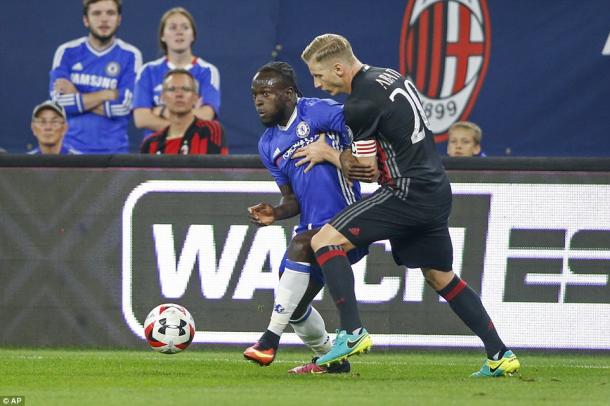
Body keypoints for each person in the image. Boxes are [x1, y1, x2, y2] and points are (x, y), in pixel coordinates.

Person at [301, 34, 520, 377]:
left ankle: (352, 332)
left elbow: (367, 170)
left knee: (324, 241)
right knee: (440, 277)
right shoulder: (390, 76)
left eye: (318, 75)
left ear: (339, 68)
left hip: (406, 191)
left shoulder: (359, 104)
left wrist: (326, 152)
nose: (317, 83)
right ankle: (500, 354)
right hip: (435, 188)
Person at [243, 61, 368, 374]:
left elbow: (365, 139)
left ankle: (269, 339)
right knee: (296, 307)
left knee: (300, 244)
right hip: (310, 228)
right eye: (254, 94)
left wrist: (333, 153)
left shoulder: (320, 112)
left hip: (347, 220)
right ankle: (332, 360)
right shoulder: (267, 144)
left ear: (288, 94)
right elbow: (291, 200)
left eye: (266, 93)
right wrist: (276, 211)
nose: (258, 100)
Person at [49, 0, 142, 153]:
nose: (104, 19)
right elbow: (59, 103)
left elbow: (123, 107)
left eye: (110, 13)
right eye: (97, 13)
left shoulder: (130, 55)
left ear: (119, 19)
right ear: (86, 20)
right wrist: (106, 94)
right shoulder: (67, 52)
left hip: (115, 153)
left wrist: (76, 95)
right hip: (70, 150)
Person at [133, 7, 220, 139]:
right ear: (162, 35)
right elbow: (141, 119)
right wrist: (190, 115)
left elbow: (207, 115)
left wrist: (162, 111)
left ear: (193, 35)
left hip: (195, 150)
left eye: (185, 27)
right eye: (173, 28)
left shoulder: (207, 71)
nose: (179, 32)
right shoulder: (148, 71)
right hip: (156, 150)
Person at [140, 69, 227, 155]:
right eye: (172, 89)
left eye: (186, 89)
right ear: (162, 98)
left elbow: (217, 168)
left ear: (195, 98)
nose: (179, 94)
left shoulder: (211, 130)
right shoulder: (150, 144)